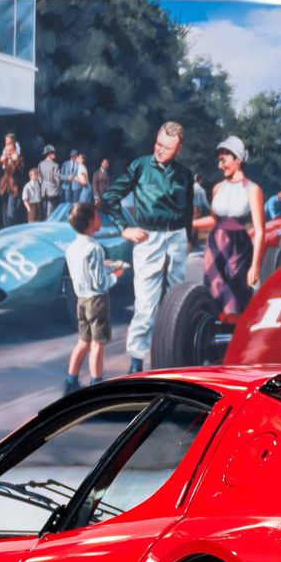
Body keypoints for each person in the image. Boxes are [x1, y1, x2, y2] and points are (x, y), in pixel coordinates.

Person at [102, 120, 205, 373]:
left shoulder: (184, 174)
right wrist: (124, 228)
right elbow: (110, 197)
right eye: (158, 144)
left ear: (178, 149)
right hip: (148, 238)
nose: (160, 150)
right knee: (146, 303)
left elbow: (188, 209)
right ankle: (136, 362)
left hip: (177, 238)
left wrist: (187, 238)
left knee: (176, 300)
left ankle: (173, 358)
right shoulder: (140, 166)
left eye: (167, 147)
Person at [64, 202, 126, 392]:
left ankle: (70, 383)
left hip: (81, 300)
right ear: (91, 222)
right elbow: (99, 283)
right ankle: (96, 386)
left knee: (83, 341)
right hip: (97, 301)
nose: (100, 220)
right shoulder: (95, 248)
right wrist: (116, 274)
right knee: (98, 344)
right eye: (97, 216)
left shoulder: (72, 247)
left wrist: (104, 265)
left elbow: (86, 272)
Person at [204, 135, 265, 319]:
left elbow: (260, 230)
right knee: (213, 294)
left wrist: (255, 266)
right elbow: (213, 220)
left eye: (223, 160)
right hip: (214, 245)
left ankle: (234, 333)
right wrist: (186, 224)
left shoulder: (253, 189)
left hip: (238, 247)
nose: (219, 165)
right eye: (219, 161)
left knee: (235, 300)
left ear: (237, 159)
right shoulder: (217, 188)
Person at [0, 135, 24, 227]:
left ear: (14, 144)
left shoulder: (19, 157)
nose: (7, 146)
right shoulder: (4, 156)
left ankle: (13, 230)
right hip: (4, 188)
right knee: (5, 215)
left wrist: (15, 159)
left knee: (11, 214)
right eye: (6, 143)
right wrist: (0, 160)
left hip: (14, 188)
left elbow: (20, 170)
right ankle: (7, 231)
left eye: (9, 143)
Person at [36, 144, 63, 223]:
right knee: (54, 210)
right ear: (49, 154)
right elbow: (57, 179)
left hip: (43, 189)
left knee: (45, 208)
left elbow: (39, 177)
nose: (55, 154)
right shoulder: (55, 165)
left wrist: (43, 184)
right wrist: (59, 188)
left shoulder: (40, 164)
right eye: (53, 153)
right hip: (53, 190)